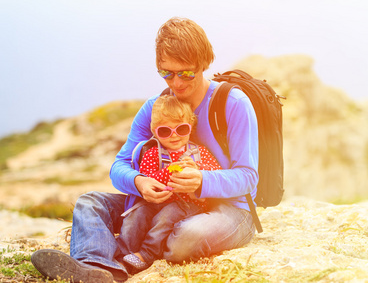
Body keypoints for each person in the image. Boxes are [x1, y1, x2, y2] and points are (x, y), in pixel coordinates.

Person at [31, 17, 258, 283]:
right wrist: (139, 182)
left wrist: (202, 181)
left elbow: (249, 178)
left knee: (186, 236)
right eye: (167, 73)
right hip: (155, 204)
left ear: (204, 64)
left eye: (186, 73)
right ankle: (96, 267)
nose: (177, 83)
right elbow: (119, 167)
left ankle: (118, 251)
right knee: (89, 202)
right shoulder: (155, 108)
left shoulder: (233, 104)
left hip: (228, 210)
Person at [118, 94, 222, 272]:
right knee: (136, 214)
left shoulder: (199, 152)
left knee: (166, 217)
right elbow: (148, 178)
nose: (174, 136)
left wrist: (198, 168)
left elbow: (217, 173)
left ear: (191, 127)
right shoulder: (152, 153)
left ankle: (147, 255)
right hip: (159, 200)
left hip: (190, 203)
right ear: (154, 131)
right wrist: (168, 171)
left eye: (181, 129)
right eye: (165, 131)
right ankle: (123, 255)